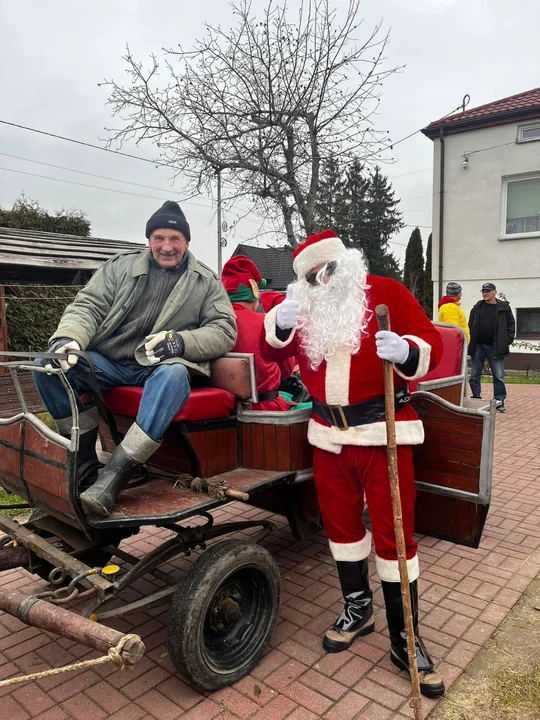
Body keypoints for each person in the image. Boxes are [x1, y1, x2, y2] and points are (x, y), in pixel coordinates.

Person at [261, 229, 445, 698]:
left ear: (345, 263)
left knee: (394, 535)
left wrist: (408, 351)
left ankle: (405, 638)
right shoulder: (307, 308)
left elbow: (430, 342)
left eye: (327, 269)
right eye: (311, 277)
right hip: (327, 437)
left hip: (382, 433)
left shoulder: (386, 292)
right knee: (340, 528)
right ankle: (357, 608)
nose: (322, 280)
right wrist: (277, 324)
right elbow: (273, 352)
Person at [34, 201, 237, 517]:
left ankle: (116, 474)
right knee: (46, 367)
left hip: (157, 367)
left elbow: (225, 330)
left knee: (174, 376)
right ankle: (85, 463)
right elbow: (88, 306)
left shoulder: (205, 281)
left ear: (186, 242)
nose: (166, 246)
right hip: (109, 363)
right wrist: (69, 340)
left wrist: (179, 342)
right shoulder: (119, 267)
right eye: (159, 237)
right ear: (149, 240)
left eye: (175, 238)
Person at [221, 255, 298, 411]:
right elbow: (287, 370)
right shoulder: (265, 323)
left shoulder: (213, 324)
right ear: (255, 293)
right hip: (265, 409)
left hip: (227, 408)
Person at [468, 283, 515, 413]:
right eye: (483, 291)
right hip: (478, 346)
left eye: (488, 291)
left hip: (495, 347)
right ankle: (476, 398)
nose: (485, 294)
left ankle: (499, 401)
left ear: (495, 292)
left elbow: (511, 325)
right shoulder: (477, 307)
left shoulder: (504, 307)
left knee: (498, 376)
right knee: (474, 375)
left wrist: (507, 341)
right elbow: (471, 324)